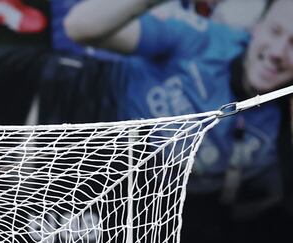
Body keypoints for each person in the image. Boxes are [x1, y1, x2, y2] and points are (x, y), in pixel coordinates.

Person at [65, 0, 293, 210]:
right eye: (274, 31)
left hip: (168, 212)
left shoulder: (282, 119)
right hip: (87, 146)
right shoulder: (202, 38)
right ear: (255, 28)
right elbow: (79, 28)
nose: (277, 52)